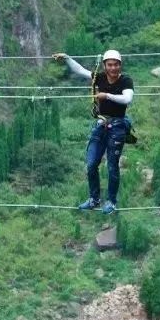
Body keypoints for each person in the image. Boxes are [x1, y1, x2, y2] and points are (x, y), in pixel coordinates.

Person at [52, 50, 134, 214]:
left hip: (118, 125)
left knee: (112, 166)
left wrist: (107, 96)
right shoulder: (100, 77)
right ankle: (94, 199)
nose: (113, 68)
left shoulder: (125, 80)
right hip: (101, 124)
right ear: (105, 66)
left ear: (120, 65)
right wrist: (67, 58)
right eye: (110, 65)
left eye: (116, 65)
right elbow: (80, 71)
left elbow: (127, 98)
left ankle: (111, 202)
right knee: (91, 164)